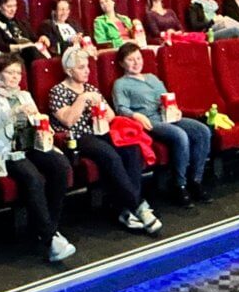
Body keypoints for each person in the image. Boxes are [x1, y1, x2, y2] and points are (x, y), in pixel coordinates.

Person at [49, 47, 162, 235]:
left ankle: (124, 209)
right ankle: (138, 205)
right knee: (110, 156)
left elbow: (111, 116)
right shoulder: (57, 91)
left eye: (87, 66)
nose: (87, 71)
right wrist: (82, 99)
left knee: (132, 149)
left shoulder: (91, 88)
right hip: (77, 137)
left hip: (100, 130)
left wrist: (100, 107)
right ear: (69, 71)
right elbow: (68, 121)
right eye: (81, 67)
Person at [0, 54, 76, 262]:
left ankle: (49, 228)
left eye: (18, 73)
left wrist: (42, 124)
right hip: (5, 149)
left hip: (31, 144)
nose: (15, 77)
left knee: (60, 166)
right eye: (10, 73)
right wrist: (15, 111)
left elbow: (35, 121)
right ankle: (50, 239)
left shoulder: (24, 95)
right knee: (33, 178)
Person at [112, 43, 211, 207]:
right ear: (122, 63)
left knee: (202, 131)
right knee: (180, 135)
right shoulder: (121, 83)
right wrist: (136, 115)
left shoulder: (152, 77)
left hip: (166, 115)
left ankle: (196, 180)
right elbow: (121, 108)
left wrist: (175, 109)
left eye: (138, 58)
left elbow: (166, 98)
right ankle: (180, 185)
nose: (136, 63)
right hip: (148, 120)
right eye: (131, 60)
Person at [0, 0, 47, 64]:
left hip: (31, 54)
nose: (13, 9)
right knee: (31, 50)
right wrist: (24, 46)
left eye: (15, 5)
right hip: (13, 58)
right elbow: (1, 47)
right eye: (9, 6)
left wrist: (42, 39)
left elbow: (34, 38)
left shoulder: (21, 22)